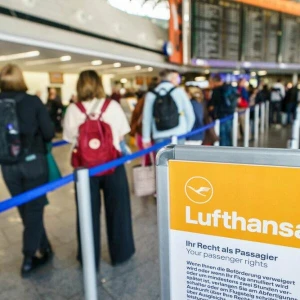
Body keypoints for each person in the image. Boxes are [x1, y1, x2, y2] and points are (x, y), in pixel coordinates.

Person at [63, 70, 135, 271]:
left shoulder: (72, 109)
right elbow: (121, 136)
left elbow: (69, 138)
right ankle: (121, 253)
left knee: (86, 214)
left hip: (85, 169)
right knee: (118, 211)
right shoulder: (111, 105)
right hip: (113, 164)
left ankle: (88, 257)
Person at [0, 64, 55, 277]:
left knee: (25, 209)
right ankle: (29, 258)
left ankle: (46, 247)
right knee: (34, 209)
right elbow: (49, 133)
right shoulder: (32, 101)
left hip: (7, 166)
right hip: (33, 163)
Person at [142, 69, 195, 147]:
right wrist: (187, 130)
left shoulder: (151, 94)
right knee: (178, 159)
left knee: (162, 158)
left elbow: (147, 118)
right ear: (171, 78)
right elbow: (190, 114)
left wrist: (146, 138)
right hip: (179, 132)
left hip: (159, 133)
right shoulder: (179, 91)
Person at [209, 74, 238, 146]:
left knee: (222, 135)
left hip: (221, 115)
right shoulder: (229, 88)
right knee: (228, 134)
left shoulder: (216, 90)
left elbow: (212, 105)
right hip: (230, 114)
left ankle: (223, 151)